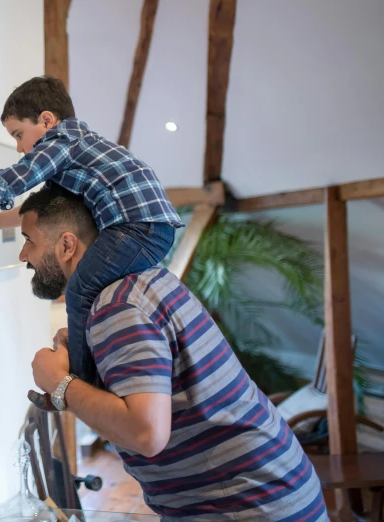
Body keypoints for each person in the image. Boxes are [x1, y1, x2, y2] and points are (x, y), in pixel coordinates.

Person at [21, 185, 328, 521]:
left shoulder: (117, 307)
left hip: (248, 505)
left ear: (66, 245)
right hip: (272, 489)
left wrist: (58, 382)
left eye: (29, 241)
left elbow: (146, 434)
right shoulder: (145, 280)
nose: (23, 255)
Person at [0, 76, 183, 387]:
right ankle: (96, 363)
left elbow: (18, 177)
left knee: (80, 287)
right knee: (91, 290)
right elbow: (44, 212)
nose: (18, 147)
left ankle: (81, 379)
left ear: (46, 120)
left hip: (139, 226)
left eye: (19, 134)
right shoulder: (76, 154)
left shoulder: (63, 142)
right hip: (147, 227)